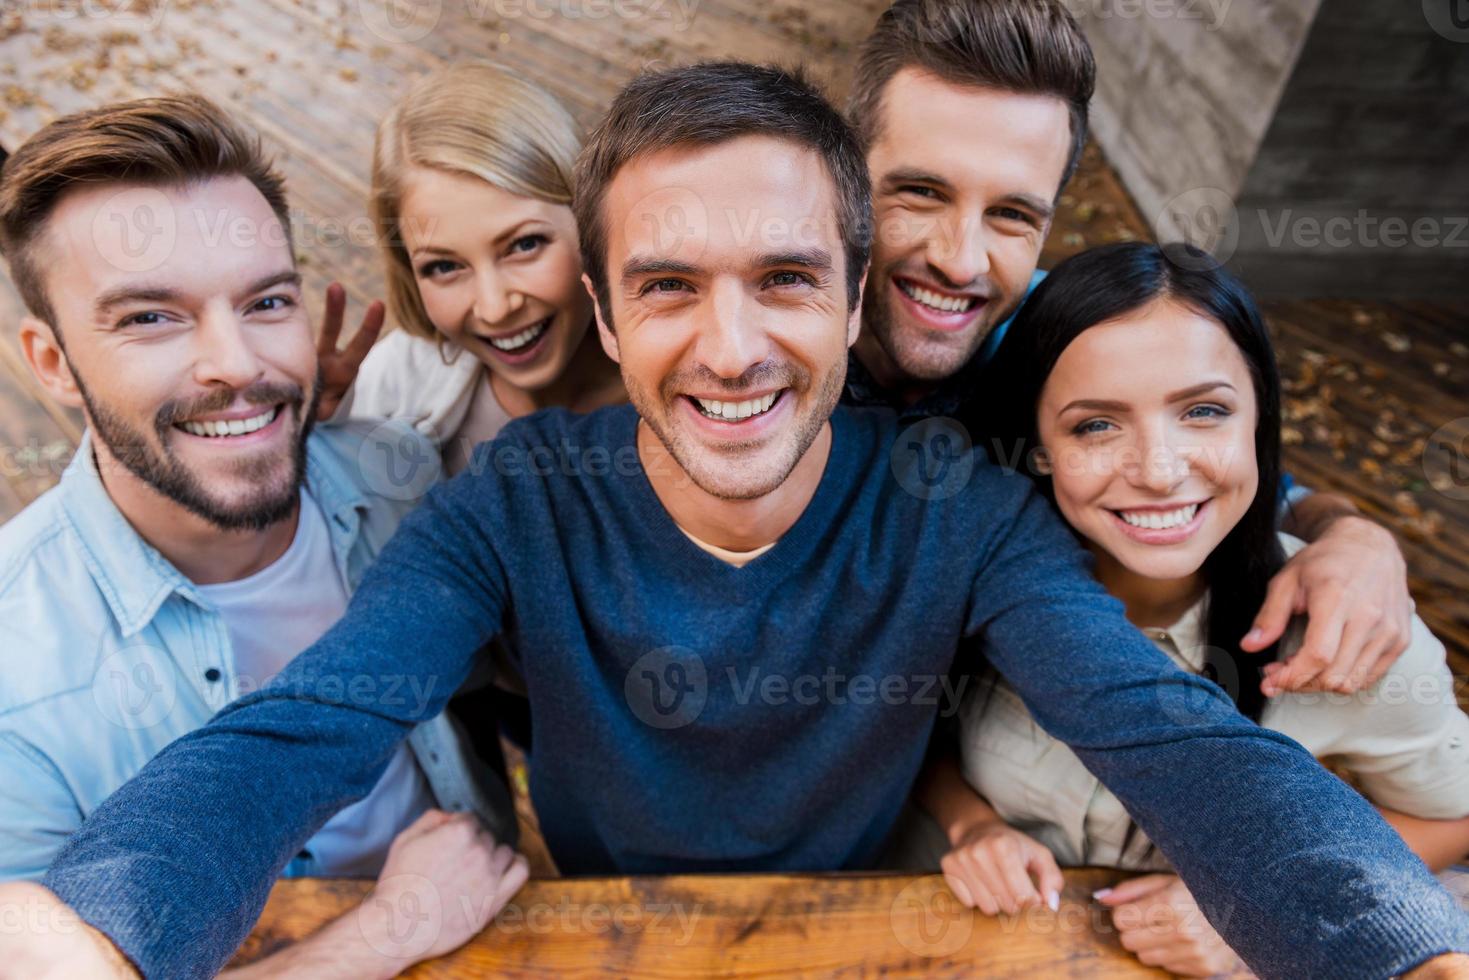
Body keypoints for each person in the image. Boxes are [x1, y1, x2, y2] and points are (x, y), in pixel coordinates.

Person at [15, 63, 1469, 980]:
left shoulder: (954, 503)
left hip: (878, 919)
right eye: (667, 287)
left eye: (782, 280)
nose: (728, 348)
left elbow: (1171, 735)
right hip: (609, 918)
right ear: (603, 310)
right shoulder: (510, 505)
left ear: (852, 300)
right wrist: (96, 930)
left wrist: (1395, 951)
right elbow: (314, 719)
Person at [0, 94, 526, 977]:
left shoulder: (403, 481)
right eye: (150, 318)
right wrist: (382, 935)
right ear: (50, 362)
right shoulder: (16, 671)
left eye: (266, 302)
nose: (238, 364)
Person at [916, 242, 1469, 976]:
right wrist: (969, 825)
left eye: (1203, 411)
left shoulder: (1347, 620)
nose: (1158, 470)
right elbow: (905, 729)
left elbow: (1452, 813)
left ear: (1257, 420)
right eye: (1095, 425)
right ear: (1038, 445)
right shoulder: (967, 574)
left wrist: (1249, 904)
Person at [841, 0, 1418, 698]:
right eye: (922, 193)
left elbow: (1253, 484)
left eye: (1011, 215)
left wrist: (1356, 539)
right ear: (846, 174)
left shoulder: (1065, 344)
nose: (961, 262)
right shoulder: (743, 341)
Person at [325, 59, 625, 469]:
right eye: (444, 267)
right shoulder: (384, 392)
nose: (495, 308)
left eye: (524, 244)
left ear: (589, 219)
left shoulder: (699, 387)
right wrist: (316, 454)